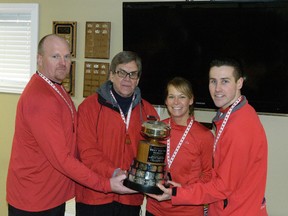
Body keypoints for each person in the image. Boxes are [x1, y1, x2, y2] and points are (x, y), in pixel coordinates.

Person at [6, 34, 134, 216]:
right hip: (34, 202)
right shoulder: (40, 98)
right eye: (55, 56)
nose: (63, 62)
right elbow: (62, 158)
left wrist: (108, 171)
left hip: (52, 196)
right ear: (39, 59)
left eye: (67, 57)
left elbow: (73, 142)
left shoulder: (55, 87)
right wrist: (105, 184)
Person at [147, 58, 268, 215]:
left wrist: (178, 193)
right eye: (213, 81)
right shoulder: (232, 116)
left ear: (239, 83)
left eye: (225, 81)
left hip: (236, 210)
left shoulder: (239, 127)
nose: (217, 89)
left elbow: (222, 186)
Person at [75, 51, 159, 216]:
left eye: (132, 74)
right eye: (121, 73)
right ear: (111, 75)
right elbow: (87, 152)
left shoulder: (149, 113)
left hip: (130, 197)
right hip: (95, 196)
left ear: (138, 79)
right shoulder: (89, 108)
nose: (127, 79)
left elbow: (152, 156)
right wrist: (114, 173)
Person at [145, 77, 214, 216]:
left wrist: (183, 192)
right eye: (171, 96)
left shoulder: (204, 135)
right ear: (166, 101)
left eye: (182, 96)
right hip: (155, 208)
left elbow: (208, 175)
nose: (176, 102)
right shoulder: (157, 130)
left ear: (191, 100)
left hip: (187, 210)